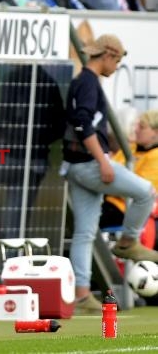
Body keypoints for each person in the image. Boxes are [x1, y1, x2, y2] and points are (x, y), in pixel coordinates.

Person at [62, 34, 158, 314]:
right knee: (145, 192)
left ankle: (81, 294)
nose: (116, 67)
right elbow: (82, 123)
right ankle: (128, 242)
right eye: (116, 61)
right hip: (91, 164)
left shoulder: (82, 81)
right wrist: (102, 161)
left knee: (84, 233)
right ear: (107, 55)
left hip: (73, 166)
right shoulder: (90, 83)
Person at [100, 110, 158, 248]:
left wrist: (111, 182)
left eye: (142, 127)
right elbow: (108, 171)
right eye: (136, 125)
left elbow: (137, 189)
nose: (136, 130)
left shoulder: (155, 156)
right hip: (107, 201)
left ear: (155, 132)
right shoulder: (129, 149)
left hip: (125, 210)